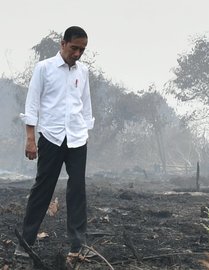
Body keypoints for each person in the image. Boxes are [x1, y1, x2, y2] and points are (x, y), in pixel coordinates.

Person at [16, 26, 95, 259]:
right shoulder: (44, 69)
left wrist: (85, 132)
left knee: (77, 189)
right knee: (43, 188)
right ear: (62, 44)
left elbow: (86, 104)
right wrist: (30, 139)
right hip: (51, 136)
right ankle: (25, 243)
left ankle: (77, 246)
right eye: (74, 48)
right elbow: (32, 105)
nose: (78, 54)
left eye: (82, 50)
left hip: (77, 138)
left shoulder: (84, 72)